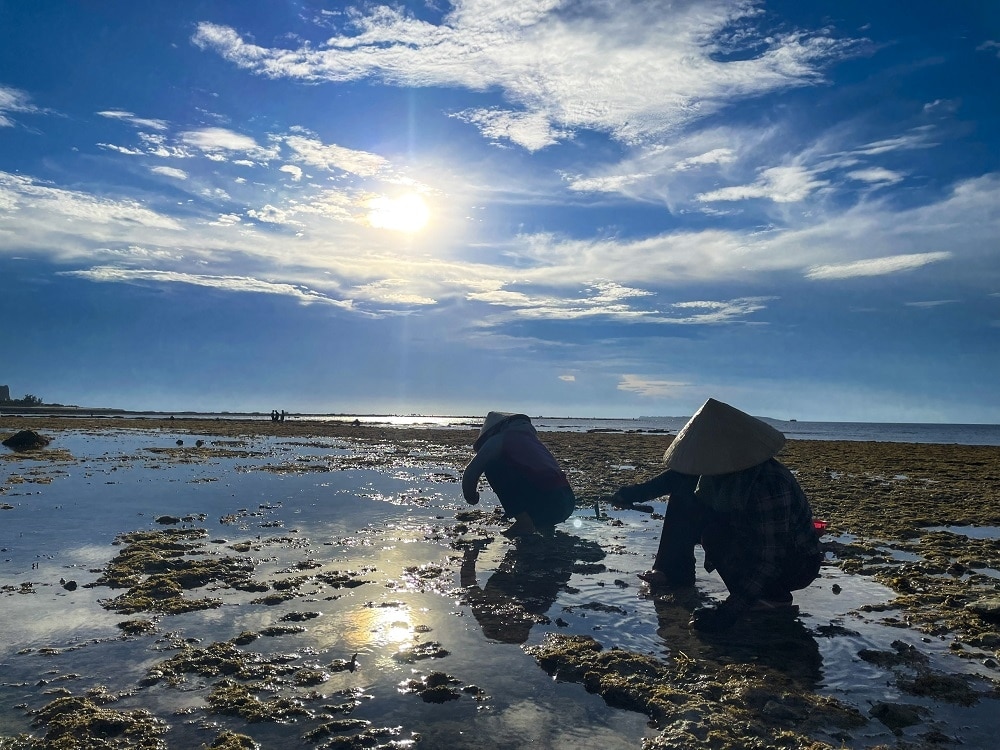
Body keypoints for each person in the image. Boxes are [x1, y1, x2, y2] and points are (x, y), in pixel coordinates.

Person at [613, 398, 822, 632]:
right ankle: (674, 573)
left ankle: (772, 597)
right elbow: (675, 479)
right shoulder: (716, 472)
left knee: (714, 534)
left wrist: (728, 613)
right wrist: (630, 494)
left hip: (794, 563)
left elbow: (769, 558)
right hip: (750, 540)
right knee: (683, 498)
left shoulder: (767, 483)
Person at [462, 412, 576, 538]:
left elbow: (471, 473)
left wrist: (471, 497)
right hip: (567, 503)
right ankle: (544, 526)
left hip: (547, 503)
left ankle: (524, 523)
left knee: (492, 467)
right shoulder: (532, 441)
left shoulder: (499, 439)